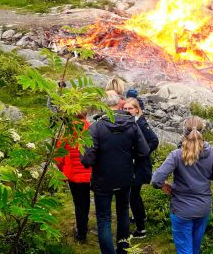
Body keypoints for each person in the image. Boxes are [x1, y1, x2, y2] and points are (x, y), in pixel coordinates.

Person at [81, 93, 150, 254]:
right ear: (119, 105)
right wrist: (128, 155)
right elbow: (144, 151)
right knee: (123, 212)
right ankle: (123, 249)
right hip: (125, 177)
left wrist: (98, 159)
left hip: (103, 179)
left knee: (104, 218)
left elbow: (86, 160)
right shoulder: (131, 125)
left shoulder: (96, 127)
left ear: (102, 106)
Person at [151, 116, 213, 254]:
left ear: (184, 131)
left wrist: (164, 185)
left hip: (181, 209)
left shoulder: (176, 155)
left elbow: (156, 179)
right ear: (202, 131)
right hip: (203, 207)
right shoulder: (212, 153)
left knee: (185, 249)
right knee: (195, 247)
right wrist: (208, 176)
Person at [123, 98, 159, 239]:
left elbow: (154, 141)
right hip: (134, 165)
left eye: (130, 109)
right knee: (135, 194)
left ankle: (141, 230)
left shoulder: (141, 123)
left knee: (133, 195)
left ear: (137, 109)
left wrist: (142, 152)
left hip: (140, 166)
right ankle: (141, 217)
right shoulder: (131, 121)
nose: (127, 111)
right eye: (125, 109)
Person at [55, 111, 92, 243]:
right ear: (85, 114)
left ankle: (81, 232)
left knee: (78, 202)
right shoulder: (91, 128)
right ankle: (84, 225)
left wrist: (61, 169)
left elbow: (59, 154)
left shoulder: (68, 131)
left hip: (73, 173)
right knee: (86, 200)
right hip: (88, 172)